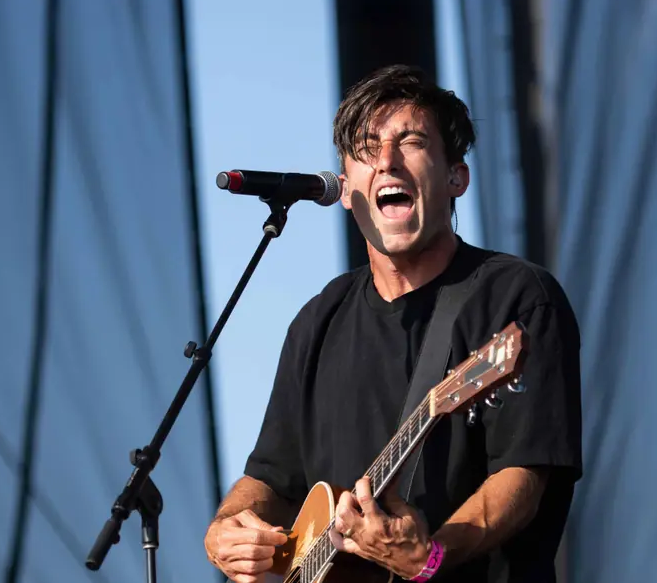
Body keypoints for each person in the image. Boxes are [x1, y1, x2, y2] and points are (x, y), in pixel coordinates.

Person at [204, 64, 582, 582]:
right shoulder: (318, 320)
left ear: (455, 177)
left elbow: (523, 476)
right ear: (344, 187)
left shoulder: (514, 296)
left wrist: (429, 559)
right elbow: (269, 476)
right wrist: (226, 529)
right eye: (366, 146)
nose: (386, 162)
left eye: (411, 142)